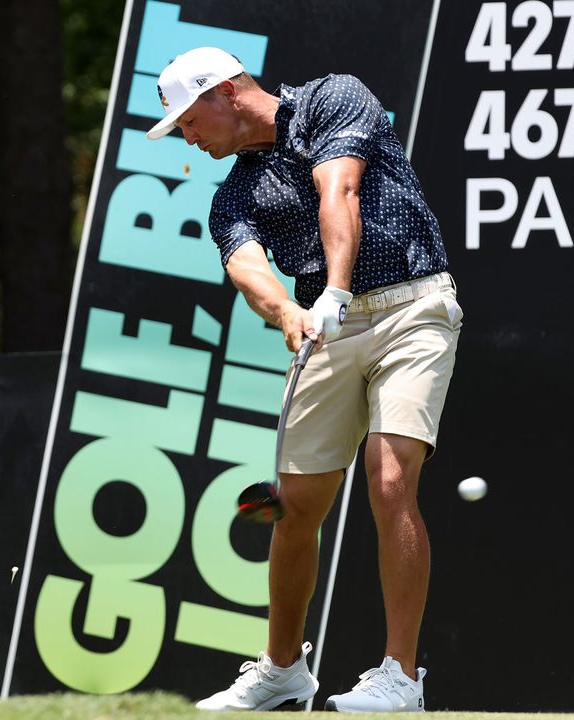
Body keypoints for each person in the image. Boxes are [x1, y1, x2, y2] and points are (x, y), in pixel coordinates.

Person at [147, 48, 460, 712]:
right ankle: (283, 669)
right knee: (291, 508)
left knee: (391, 477)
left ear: (228, 92)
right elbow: (246, 265)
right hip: (325, 325)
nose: (188, 137)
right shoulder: (234, 191)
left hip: (414, 305)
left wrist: (336, 292)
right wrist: (289, 311)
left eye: (189, 121)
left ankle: (401, 677)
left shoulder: (333, 97)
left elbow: (337, 189)